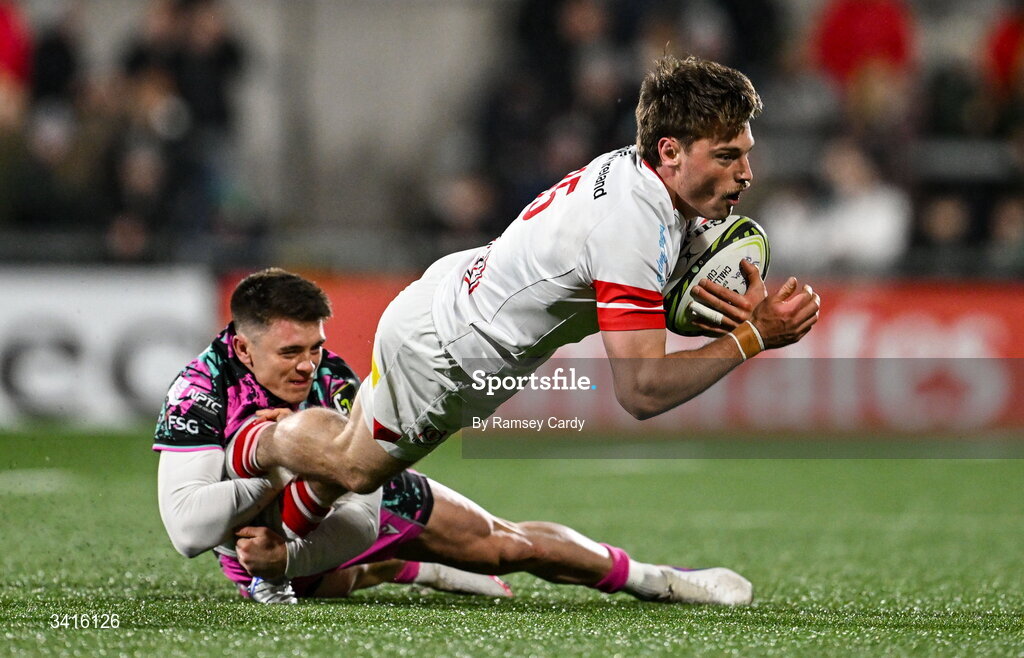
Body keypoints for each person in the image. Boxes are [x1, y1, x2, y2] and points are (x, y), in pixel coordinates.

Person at [239, 56, 819, 599]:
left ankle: (282, 534)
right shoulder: (629, 227)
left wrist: (691, 299)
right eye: (726, 156)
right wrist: (753, 339)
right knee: (354, 467)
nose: (747, 173)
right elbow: (642, 390)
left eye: (745, 152)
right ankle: (256, 463)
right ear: (671, 150)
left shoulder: (634, 171)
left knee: (351, 464)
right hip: (448, 360)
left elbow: (613, 279)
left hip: (444, 302)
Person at [157, 268, 754, 605]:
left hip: (333, 518)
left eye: (315, 348)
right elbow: (188, 532)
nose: (308, 365)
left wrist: (288, 554)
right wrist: (277, 466)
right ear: (241, 346)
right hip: (252, 546)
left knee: (510, 547)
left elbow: (362, 509)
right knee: (321, 551)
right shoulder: (200, 391)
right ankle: (394, 568)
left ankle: (664, 581)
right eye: (290, 352)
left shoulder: (334, 380)